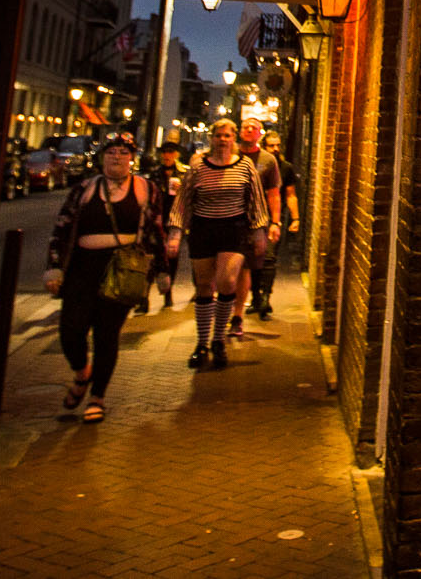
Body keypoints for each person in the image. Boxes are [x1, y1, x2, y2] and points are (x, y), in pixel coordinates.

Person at [42, 133, 172, 423]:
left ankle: (97, 396)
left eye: (123, 152)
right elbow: (62, 228)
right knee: (71, 329)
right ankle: (81, 372)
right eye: (111, 152)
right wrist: (54, 267)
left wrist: (162, 270)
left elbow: (155, 231)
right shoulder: (85, 190)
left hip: (122, 268)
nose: (117, 157)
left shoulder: (145, 190)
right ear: (102, 157)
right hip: (83, 267)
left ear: (131, 157)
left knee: (106, 334)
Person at [177, 118, 270, 369]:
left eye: (228, 135)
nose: (223, 140)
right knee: (205, 286)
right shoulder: (198, 166)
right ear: (212, 138)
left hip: (234, 229)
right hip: (203, 228)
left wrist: (259, 230)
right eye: (219, 135)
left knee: (227, 281)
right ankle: (202, 342)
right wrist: (175, 232)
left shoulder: (245, 165)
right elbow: (184, 199)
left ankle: (219, 339)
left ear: (234, 138)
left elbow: (256, 199)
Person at [229, 122, 293, 335]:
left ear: (259, 134)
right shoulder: (230, 155)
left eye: (253, 128)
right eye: (245, 127)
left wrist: (276, 221)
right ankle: (247, 300)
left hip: (259, 220)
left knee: (261, 260)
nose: (248, 131)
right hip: (231, 218)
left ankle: (255, 302)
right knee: (235, 266)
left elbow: (276, 193)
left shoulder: (269, 161)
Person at [141, 140, 188, 312]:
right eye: (165, 152)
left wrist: (182, 189)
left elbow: (191, 196)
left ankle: (168, 292)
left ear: (176, 154)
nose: (167, 155)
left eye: (171, 152)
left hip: (175, 220)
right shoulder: (154, 174)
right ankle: (144, 297)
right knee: (150, 258)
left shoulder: (184, 173)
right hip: (156, 221)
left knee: (172, 257)